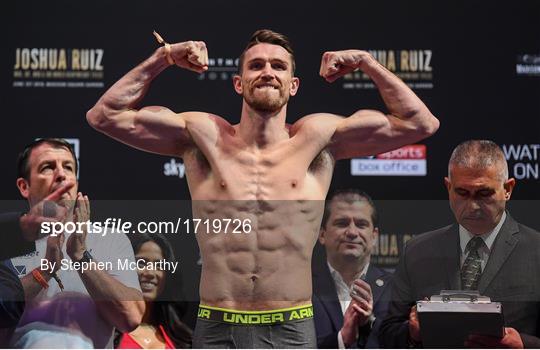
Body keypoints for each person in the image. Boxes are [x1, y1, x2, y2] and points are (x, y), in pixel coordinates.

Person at [86, 29, 439, 347]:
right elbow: (104, 116)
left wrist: (366, 62)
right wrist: (163, 58)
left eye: (277, 66)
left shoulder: (318, 140)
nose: (267, 72)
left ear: (293, 84)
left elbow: (420, 122)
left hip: (291, 325)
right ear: (238, 83)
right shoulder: (203, 137)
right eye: (256, 66)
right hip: (216, 323)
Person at [379, 140, 540, 348]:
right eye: (462, 193)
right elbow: (386, 333)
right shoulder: (417, 251)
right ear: (448, 187)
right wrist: (412, 333)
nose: (472, 206)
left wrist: (525, 345)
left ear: (508, 189)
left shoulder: (536, 251)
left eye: (484, 194)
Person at [9, 138, 145, 348]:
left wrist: (81, 257)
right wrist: (45, 271)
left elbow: (131, 317)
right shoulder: (8, 240)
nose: (61, 174)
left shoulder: (110, 239)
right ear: (24, 186)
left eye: (68, 168)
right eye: (48, 167)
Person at [313, 189, 391, 348]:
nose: (352, 232)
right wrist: (341, 340)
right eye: (342, 223)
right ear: (322, 234)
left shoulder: (396, 287)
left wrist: (368, 323)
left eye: (361, 224)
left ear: (374, 236)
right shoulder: (302, 287)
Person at [115, 232, 192, 348]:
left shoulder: (183, 338)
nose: (150, 273)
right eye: (141, 263)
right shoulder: (106, 328)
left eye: (159, 265)